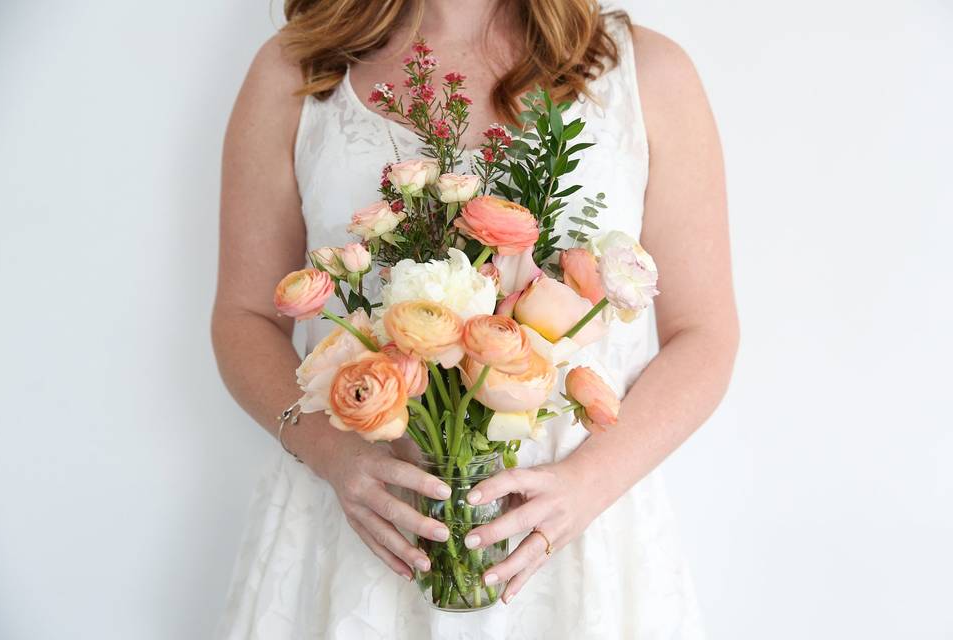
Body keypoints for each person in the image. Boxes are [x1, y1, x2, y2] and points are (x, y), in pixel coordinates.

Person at [211, 0, 738, 637]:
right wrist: (331, 454)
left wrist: (586, 485)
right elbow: (243, 316)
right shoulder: (297, 70)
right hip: (361, 531)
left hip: (577, 541)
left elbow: (705, 334)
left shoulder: (647, 72)